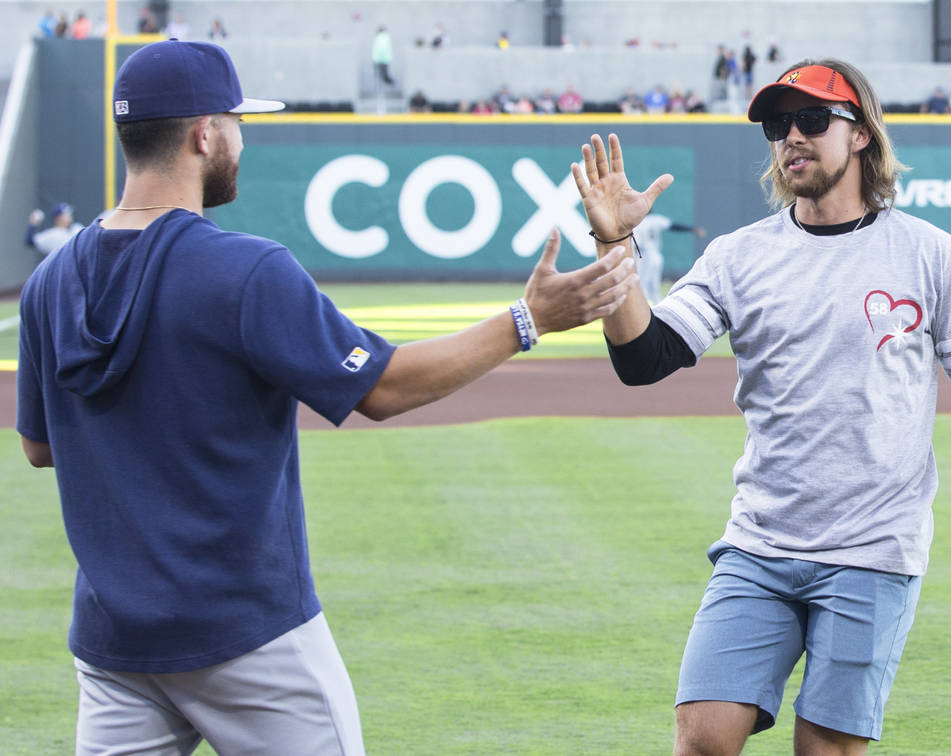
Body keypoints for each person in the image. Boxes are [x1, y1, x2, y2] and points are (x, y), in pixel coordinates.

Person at [17, 39, 636, 755]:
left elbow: (39, 446)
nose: (242, 141)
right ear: (203, 134)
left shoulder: (49, 283)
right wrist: (527, 321)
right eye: (238, 124)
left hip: (113, 643)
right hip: (248, 638)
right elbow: (383, 388)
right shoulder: (244, 270)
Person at [571, 58, 951, 755]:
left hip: (874, 549)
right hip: (761, 543)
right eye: (779, 125)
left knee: (824, 749)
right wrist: (614, 243)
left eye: (812, 119)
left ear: (861, 133)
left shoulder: (928, 253)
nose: (792, 138)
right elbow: (643, 358)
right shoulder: (737, 256)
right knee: (702, 736)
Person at [633, 213, 706, 303]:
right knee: (654, 286)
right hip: (656, 256)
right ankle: (657, 307)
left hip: (644, 256)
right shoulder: (655, 219)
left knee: (642, 285)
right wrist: (692, 229)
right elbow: (673, 226)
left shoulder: (637, 223)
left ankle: (644, 308)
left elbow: (636, 245)